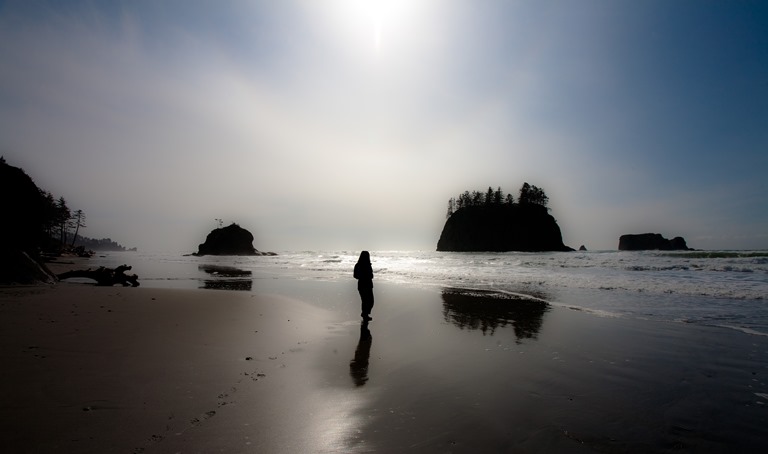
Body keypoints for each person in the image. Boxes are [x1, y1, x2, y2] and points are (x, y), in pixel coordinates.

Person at [353, 250, 374, 321]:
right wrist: (364, 276)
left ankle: (365, 313)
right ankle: (365, 314)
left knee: (370, 301)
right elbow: (355, 275)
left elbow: (371, 275)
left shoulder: (368, 265)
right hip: (363, 284)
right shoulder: (358, 265)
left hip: (367, 284)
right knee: (366, 300)